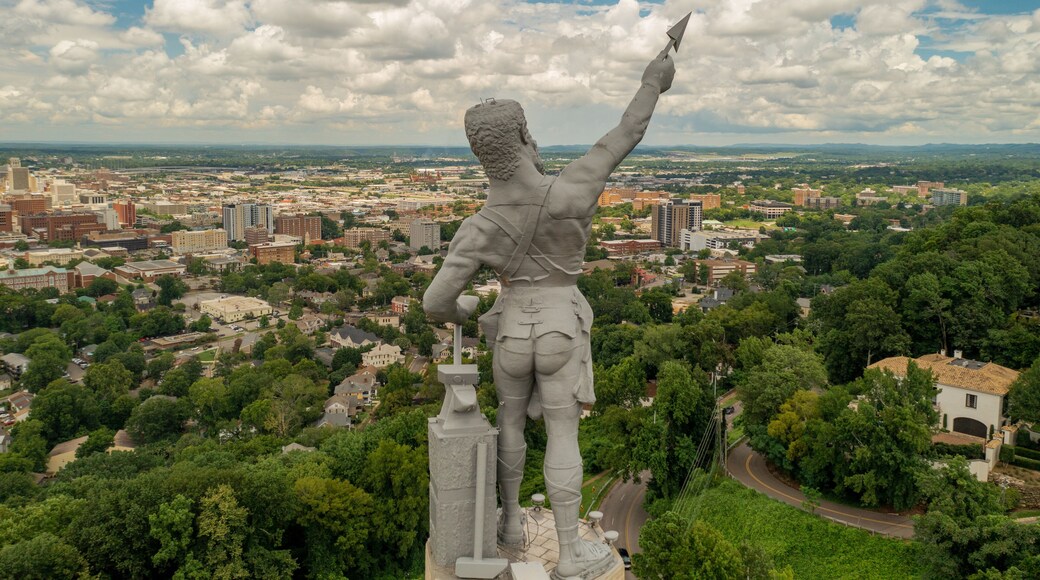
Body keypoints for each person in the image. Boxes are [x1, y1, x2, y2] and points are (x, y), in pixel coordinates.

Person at [424, 48, 675, 579]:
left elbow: (435, 303)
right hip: (562, 325)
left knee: (509, 422)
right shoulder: (572, 190)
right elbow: (627, 130)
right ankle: (568, 553)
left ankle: (512, 524)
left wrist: (467, 307)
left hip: (511, 330)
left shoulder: (480, 226)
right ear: (523, 138)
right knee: (564, 434)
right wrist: (655, 80)